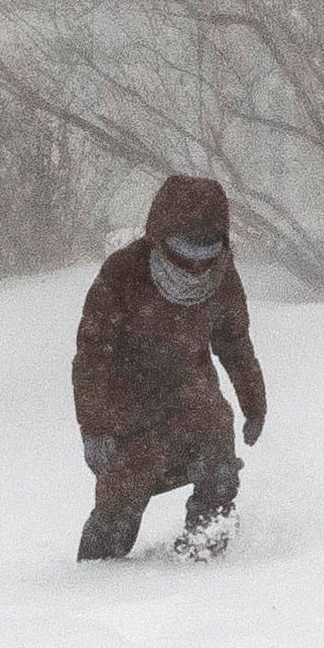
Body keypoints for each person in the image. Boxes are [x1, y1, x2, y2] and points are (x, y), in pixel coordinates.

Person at [71, 174, 266, 561]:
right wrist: (94, 428)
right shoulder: (123, 274)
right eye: (183, 253)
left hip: (194, 400)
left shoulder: (222, 276)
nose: (195, 266)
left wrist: (253, 403)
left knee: (219, 472)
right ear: (159, 239)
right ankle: (94, 581)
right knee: (119, 508)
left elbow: (234, 342)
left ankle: (206, 552)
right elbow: (93, 355)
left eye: (206, 254)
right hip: (130, 411)